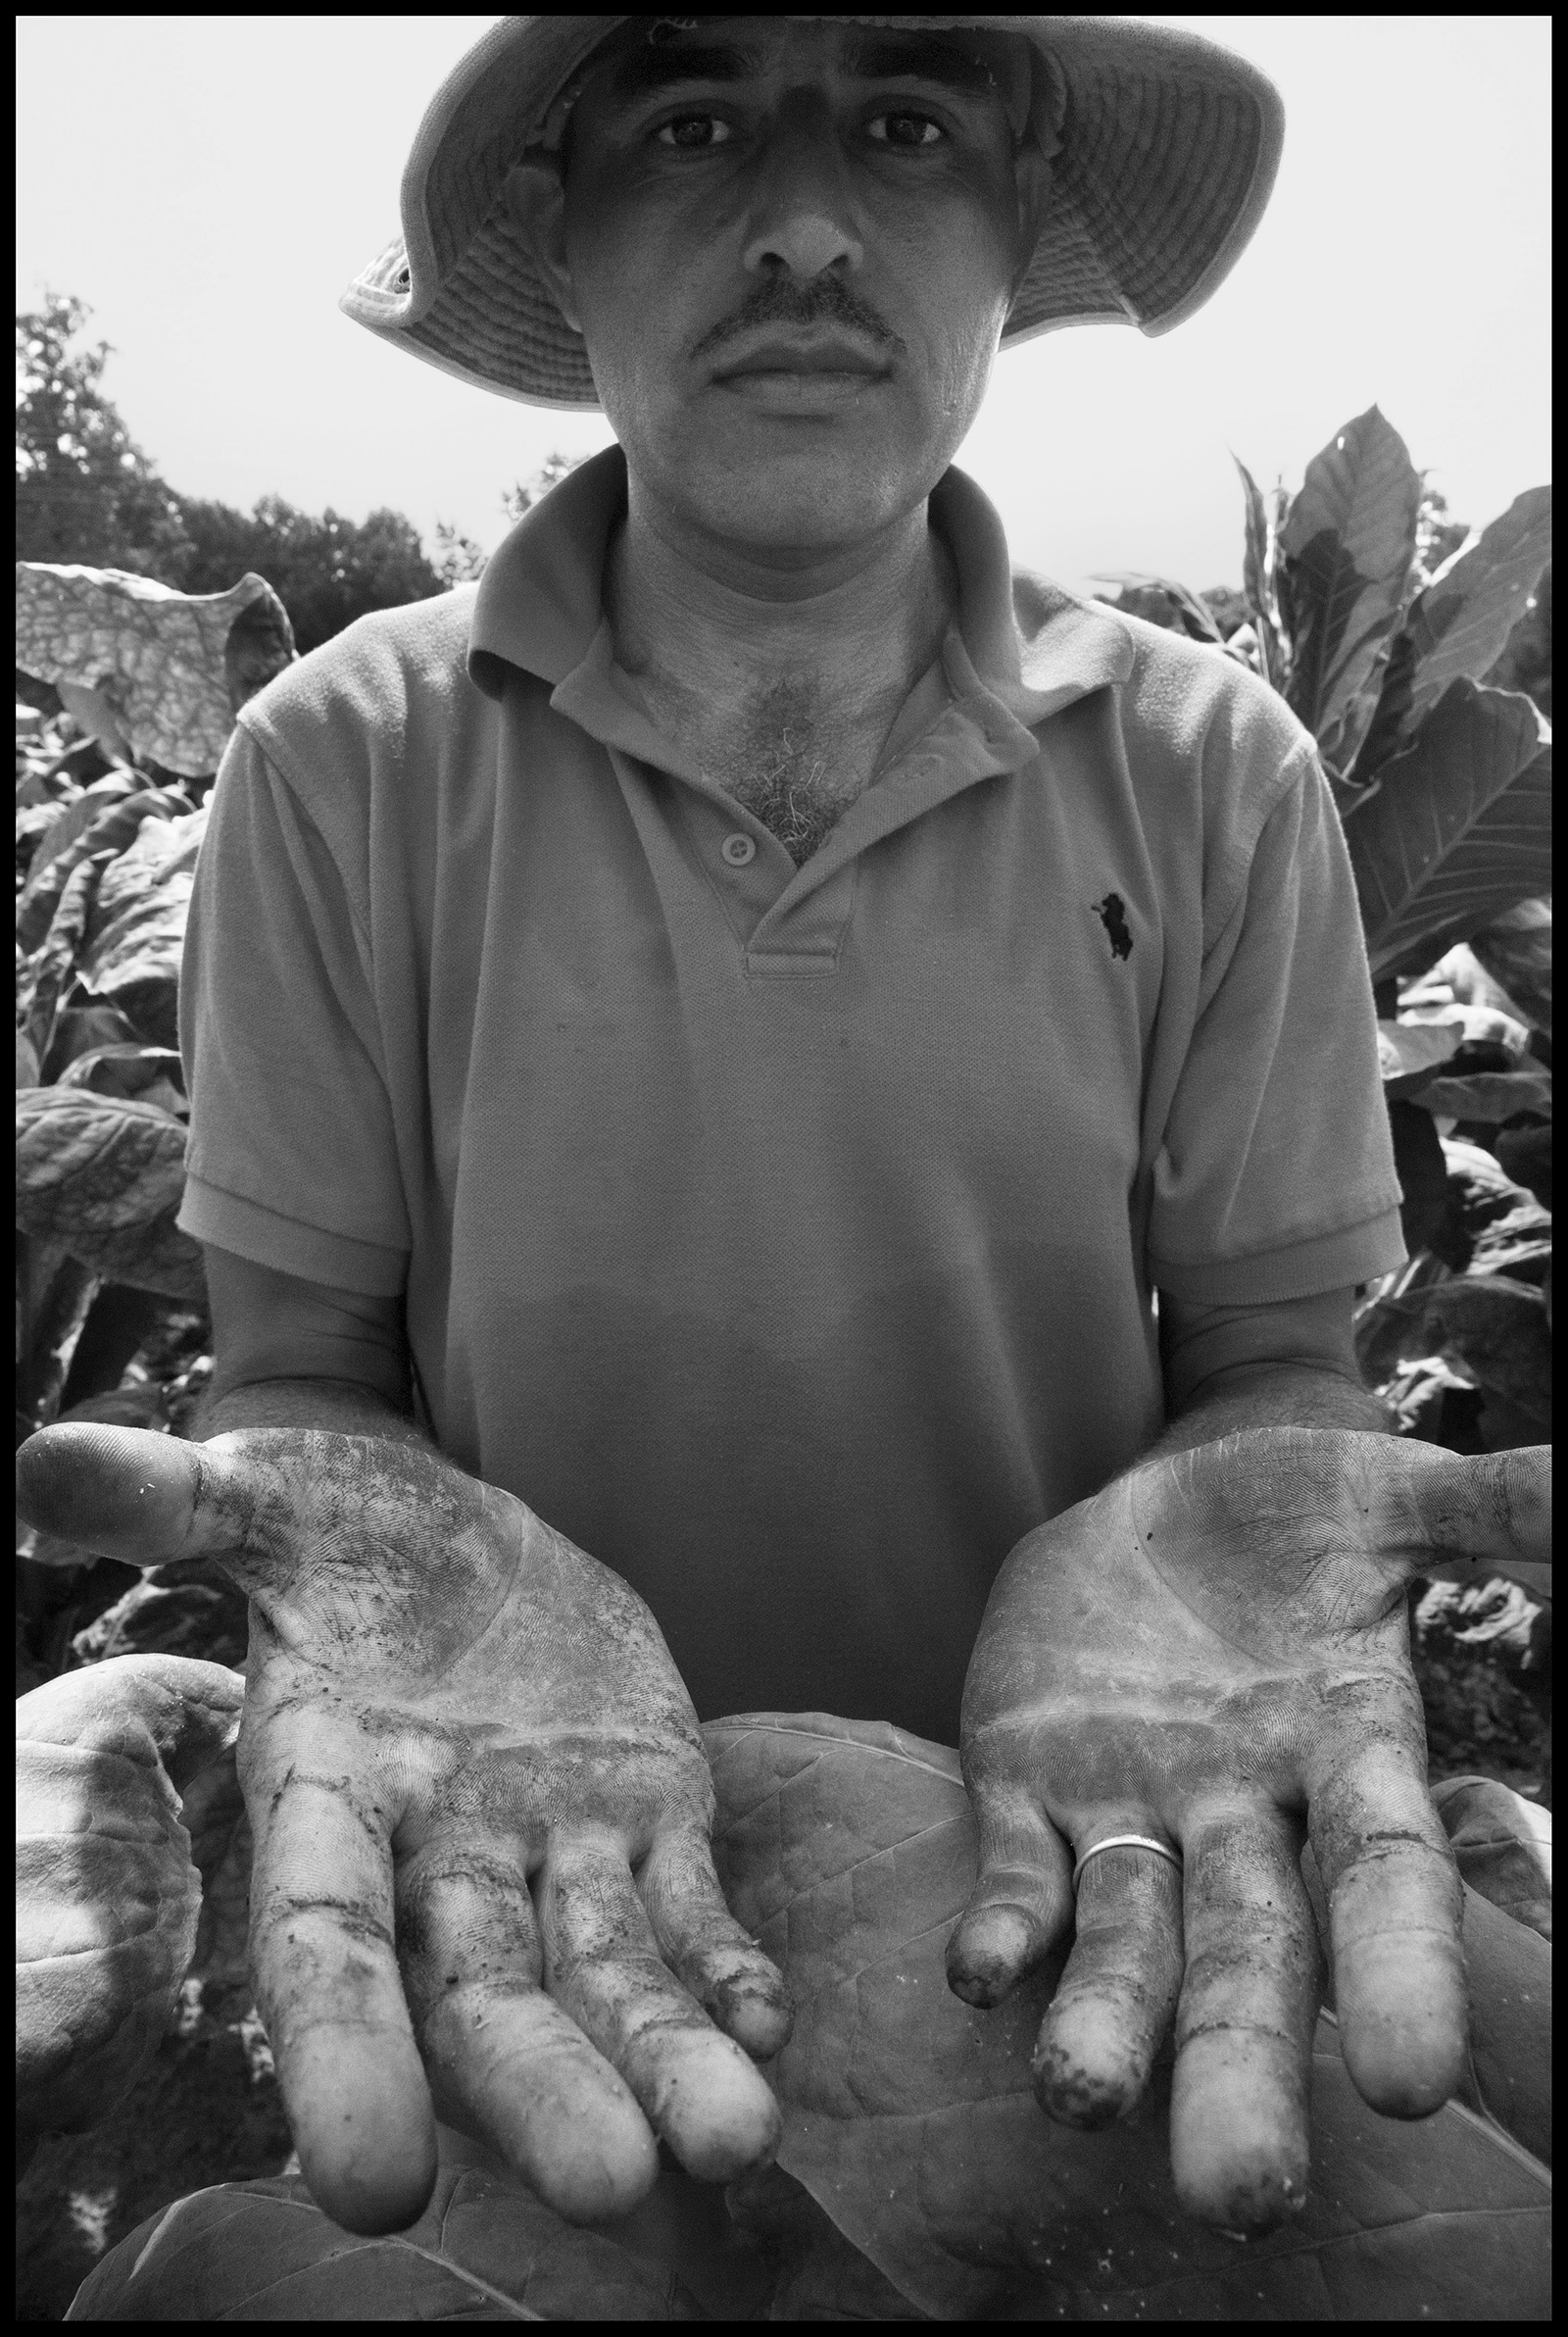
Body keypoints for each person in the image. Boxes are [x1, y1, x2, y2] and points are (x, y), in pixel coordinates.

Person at [15, 8, 1551, 2276]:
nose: (808, 220)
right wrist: (372, 1558)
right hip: (528, 1894)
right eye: (695, 114)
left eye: (906, 120)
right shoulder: (336, 764)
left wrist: (1235, 1542)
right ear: (567, 209)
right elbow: (303, 1364)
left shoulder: (1213, 770)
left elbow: (1267, 1359)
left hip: (1071, 1863)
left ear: (1009, 210)